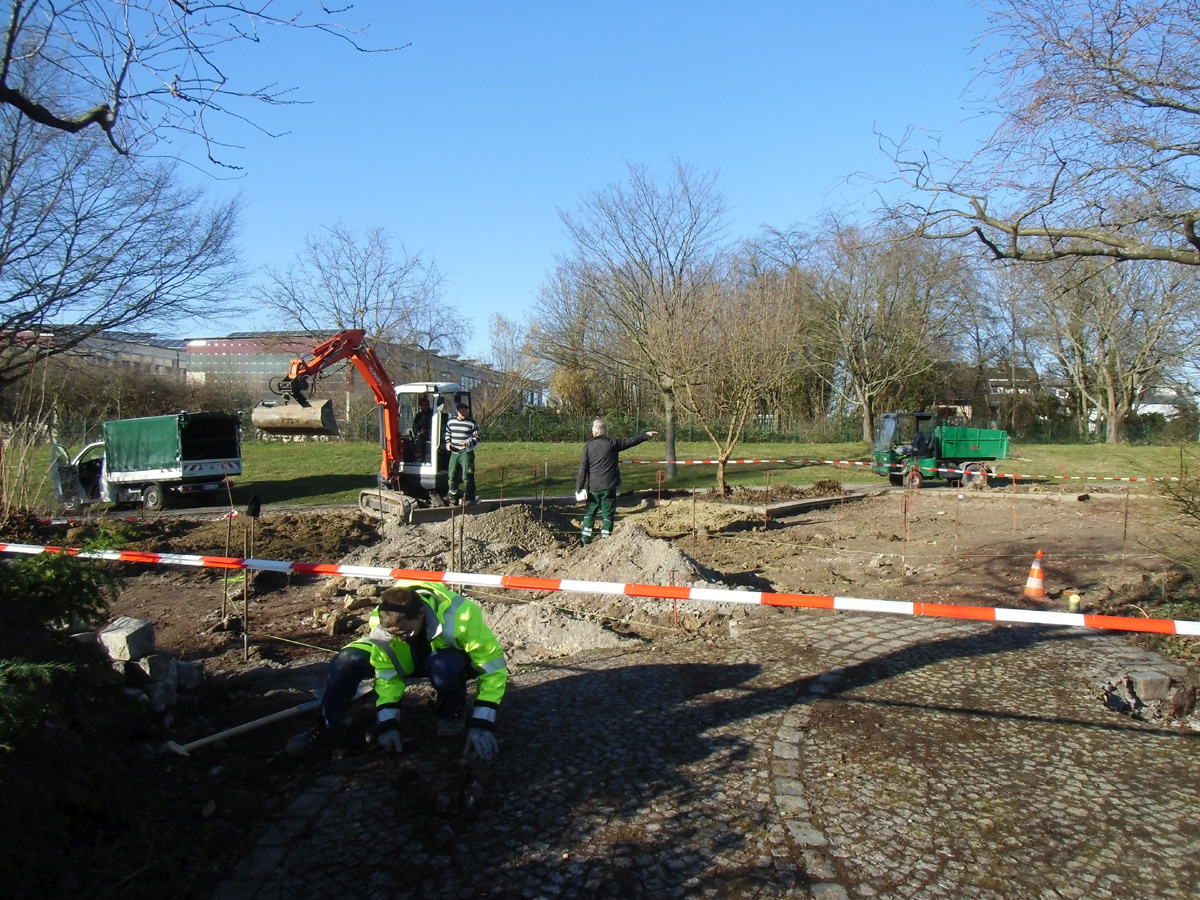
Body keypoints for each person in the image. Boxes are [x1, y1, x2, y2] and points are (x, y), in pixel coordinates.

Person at [287, 581, 507, 763]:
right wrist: (388, 724)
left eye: (406, 632)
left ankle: (451, 708)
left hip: (442, 659)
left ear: (421, 614)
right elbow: (387, 675)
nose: (400, 638)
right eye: (394, 634)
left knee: (445, 664)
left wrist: (483, 725)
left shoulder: (461, 616)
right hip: (405, 661)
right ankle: (328, 725)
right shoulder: (384, 623)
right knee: (345, 661)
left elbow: (493, 669)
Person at [574, 419, 658, 544]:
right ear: (603, 432)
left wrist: (579, 487)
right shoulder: (612, 443)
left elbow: (583, 468)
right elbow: (630, 441)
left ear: (594, 432)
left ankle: (585, 539)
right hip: (609, 486)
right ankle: (606, 539)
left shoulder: (588, 447)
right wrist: (645, 435)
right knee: (608, 514)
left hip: (594, 487)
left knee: (590, 512)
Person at [444, 403, 480, 505]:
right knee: (452, 475)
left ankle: (470, 497)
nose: (464, 413)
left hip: (466, 451)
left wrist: (467, 442)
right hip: (454, 451)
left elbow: (477, 437)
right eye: (462, 411)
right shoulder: (451, 422)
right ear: (457, 412)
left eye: (466, 411)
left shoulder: (472, 423)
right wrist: (448, 443)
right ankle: (452, 497)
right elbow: (447, 434)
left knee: (467, 475)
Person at [411, 395, 433, 462]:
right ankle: (422, 459)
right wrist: (418, 432)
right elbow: (415, 426)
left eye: (426, 405)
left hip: (433, 436)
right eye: (423, 405)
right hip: (423, 437)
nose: (425, 406)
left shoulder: (433, 414)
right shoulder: (419, 416)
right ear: (420, 406)